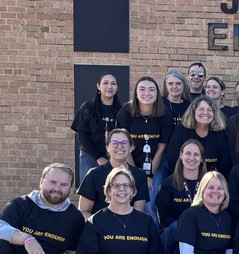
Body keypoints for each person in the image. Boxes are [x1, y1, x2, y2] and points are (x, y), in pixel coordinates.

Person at [115, 76, 173, 220]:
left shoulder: (165, 114)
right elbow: (124, 147)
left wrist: (149, 176)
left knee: (149, 200)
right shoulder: (125, 112)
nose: (147, 93)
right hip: (128, 164)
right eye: (142, 89)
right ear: (136, 93)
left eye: (151, 89)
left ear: (157, 93)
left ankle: (152, 235)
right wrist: (135, 173)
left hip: (155, 166)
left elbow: (161, 148)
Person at [77, 128, 149, 219]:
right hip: (99, 229)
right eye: (115, 143)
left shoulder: (140, 175)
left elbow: (138, 212)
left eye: (124, 143)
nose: (119, 147)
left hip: (128, 229)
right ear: (107, 147)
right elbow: (83, 211)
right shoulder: (94, 175)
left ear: (131, 147)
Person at [156, 139, 206, 254]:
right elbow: (163, 218)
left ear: (202, 158)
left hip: (202, 235)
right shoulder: (168, 183)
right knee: (176, 226)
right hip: (174, 236)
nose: (191, 158)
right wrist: (187, 229)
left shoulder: (208, 183)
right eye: (188, 153)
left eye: (196, 154)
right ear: (181, 155)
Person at [71, 72, 122, 179]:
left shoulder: (122, 111)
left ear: (117, 87)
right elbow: (82, 135)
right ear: (98, 86)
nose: (109, 86)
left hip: (115, 158)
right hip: (90, 157)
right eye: (105, 83)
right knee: (89, 191)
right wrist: (99, 158)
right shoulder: (88, 107)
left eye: (113, 83)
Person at [165, 96, 232, 176]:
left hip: (211, 182)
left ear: (215, 114)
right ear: (193, 112)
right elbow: (172, 161)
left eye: (210, 110)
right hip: (183, 179)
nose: (205, 112)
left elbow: (225, 165)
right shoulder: (180, 131)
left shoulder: (220, 134)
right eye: (201, 109)